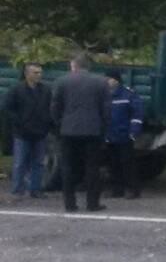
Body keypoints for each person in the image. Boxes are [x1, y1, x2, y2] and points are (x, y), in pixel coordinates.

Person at [51, 53, 112, 213]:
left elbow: (55, 107)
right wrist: (103, 128)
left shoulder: (62, 81)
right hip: (92, 130)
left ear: (74, 66)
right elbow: (106, 109)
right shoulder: (101, 82)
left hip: (68, 130)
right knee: (92, 167)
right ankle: (92, 203)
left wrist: (60, 124)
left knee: (68, 167)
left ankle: (70, 204)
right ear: (88, 66)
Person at [3, 63, 53, 199]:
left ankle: (35, 189)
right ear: (27, 74)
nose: (39, 75)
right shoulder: (16, 89)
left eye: (40, 72)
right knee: (20, 162)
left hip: (40, 132)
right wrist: (19, 123)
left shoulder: (46, 90)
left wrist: (47, 124)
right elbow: (8, 109)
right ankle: (17, 190)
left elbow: (50, 108)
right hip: (22, 132)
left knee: (39, 162)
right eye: (35, 72)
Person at [104, 70, 144, 199]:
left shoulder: (128, 95)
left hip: (124, 135)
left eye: (109, 78)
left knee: (127, 164)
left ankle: (133, 189)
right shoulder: (104, 95)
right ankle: (117, 189)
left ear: (116, 80)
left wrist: (133, 132)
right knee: (113, 164)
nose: (107, 81)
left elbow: (137, 114)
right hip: (110, 135)